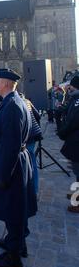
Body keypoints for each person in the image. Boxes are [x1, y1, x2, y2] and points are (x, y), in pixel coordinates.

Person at [0, 68, 37, 267]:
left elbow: (11, 144)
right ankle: (15, 243)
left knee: (13, 207)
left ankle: (13, 258)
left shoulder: (12, 106)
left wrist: (2, 174)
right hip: (16, 159)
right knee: (16, 206)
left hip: (12, 163)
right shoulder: (14, 101)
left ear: (6, 83)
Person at [58, 75, 79, 213]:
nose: (68, 87)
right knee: (76, 171)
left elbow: (73, 120)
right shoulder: (75, 99)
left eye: (70, 86)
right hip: (75, 140)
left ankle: (76, 203)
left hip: (77, 140)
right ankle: (76, 194)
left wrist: (62, 132)